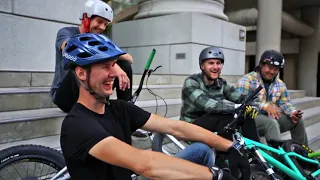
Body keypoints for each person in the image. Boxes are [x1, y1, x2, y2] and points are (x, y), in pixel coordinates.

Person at [59, 33, 249, 180]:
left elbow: (176, 127)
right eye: (104, 67)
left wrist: (230, 146)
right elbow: (144, 164)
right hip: (142, 169)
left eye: (113, 65)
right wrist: (215, 175)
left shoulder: (118, 108)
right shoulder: (77, 125)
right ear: (82, 74)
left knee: (202, 151)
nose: (113, 74)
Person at [179, 46, 260, 179]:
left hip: (215, 123)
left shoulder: (222, 83)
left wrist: (252, 106)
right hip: (192, 125)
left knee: (246, 114)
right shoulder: (191, 82)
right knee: (225, 114)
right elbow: (205, 103)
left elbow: (240, 97)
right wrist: (235, 107)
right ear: (202, 66)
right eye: (211, 63)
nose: (216, 67)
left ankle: (255, 153)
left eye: (219, 63)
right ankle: (225, 160)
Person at [50, 0, 133, 114]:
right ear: (85, 17)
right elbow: (71, 48)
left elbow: (129, 58)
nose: (102, 27)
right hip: (65, 95)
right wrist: (114, 65)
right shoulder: (66, 32)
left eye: (105, 24)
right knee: (81, 64)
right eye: (99, 21)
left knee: (124, 65)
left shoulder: (100, 39)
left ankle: (126, 110)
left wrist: (114, 62)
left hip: (89, 93)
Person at [235, 49, 308, 146]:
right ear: (261, 64)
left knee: (298, 121)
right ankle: (278, 157)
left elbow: (284, 102)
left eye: (276, 69)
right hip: (247, 121)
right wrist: (265, 106)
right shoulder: (247, 80)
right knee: (271, 123)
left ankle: (303, 156)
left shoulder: (279, 84)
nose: (272, 72)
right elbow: (241, 103)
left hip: (268, 118)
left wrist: (292, 112)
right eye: (269, 67)